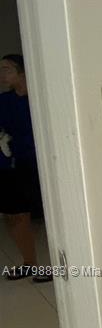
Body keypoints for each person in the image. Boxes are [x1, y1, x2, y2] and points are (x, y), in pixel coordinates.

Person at [0, 53, 50, 282]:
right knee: (14, 214)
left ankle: (53, 266)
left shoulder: (41, 98)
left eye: (7, 69)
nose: (2, 74)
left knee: (49, 216)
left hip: (41, 163)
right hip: (12, 164)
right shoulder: (4, 102)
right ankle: (29, 263)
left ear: (22, 71)